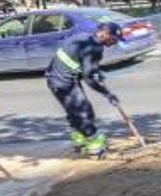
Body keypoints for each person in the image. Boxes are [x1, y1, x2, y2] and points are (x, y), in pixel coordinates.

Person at [45, 22, 124, 156]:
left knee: (74, 111)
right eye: (114, 39)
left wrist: (95, 70)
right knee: (85, 112)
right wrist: (107, 94)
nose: (114, 43)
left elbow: (81, 62)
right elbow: (89, 79)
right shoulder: (94, 48)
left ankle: (79, 140)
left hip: (55, 79)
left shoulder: (83, 37)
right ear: (105, 34)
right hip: (65, 82)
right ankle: (94, 146)